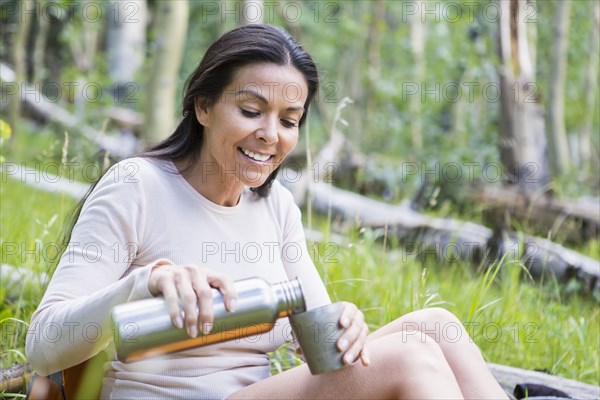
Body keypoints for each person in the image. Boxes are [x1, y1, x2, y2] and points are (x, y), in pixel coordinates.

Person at [26, 24, 508, 399]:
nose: (270, 135)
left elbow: (318, 334)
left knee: (433, 326)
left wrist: (344, 323)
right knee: (409, 357)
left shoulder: (274, 205)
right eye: (251, 110)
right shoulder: (138, 186)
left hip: (255, 393)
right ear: (203, 107)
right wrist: (142, 282)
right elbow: (43, 347)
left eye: (289, 120)